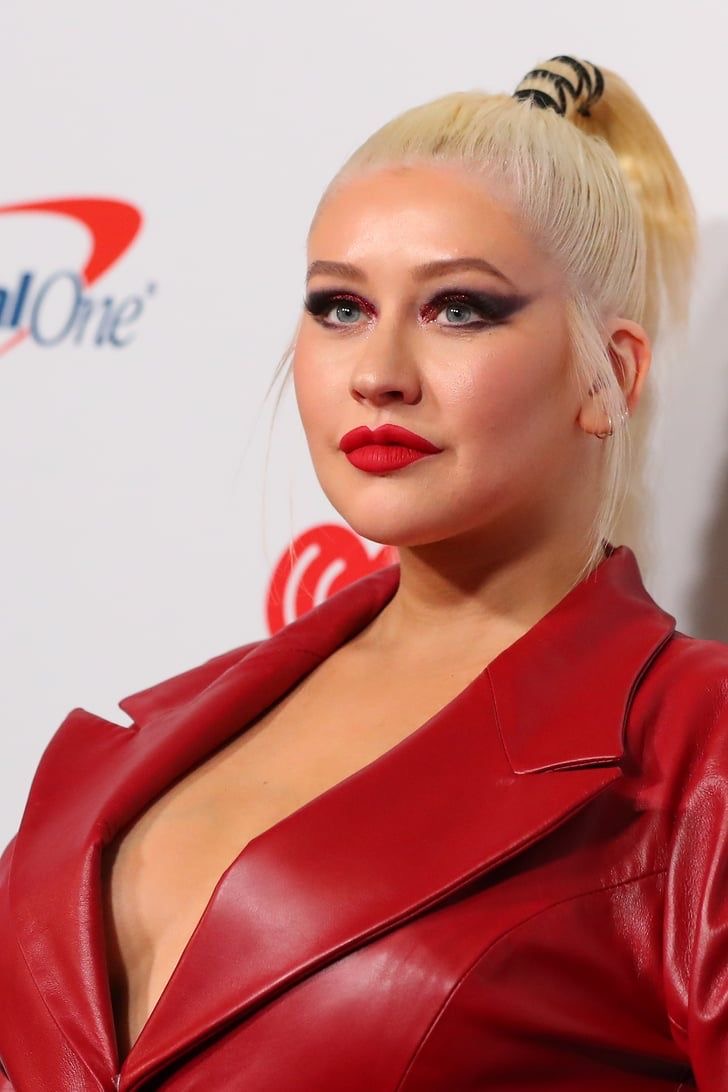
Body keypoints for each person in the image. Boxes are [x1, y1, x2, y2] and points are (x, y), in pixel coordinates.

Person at [0, 54, 724, 1091]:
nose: (378, 373)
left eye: (458, 308)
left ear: (608, 375)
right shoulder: (169, 724)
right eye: (339, 307)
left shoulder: (695, 756)